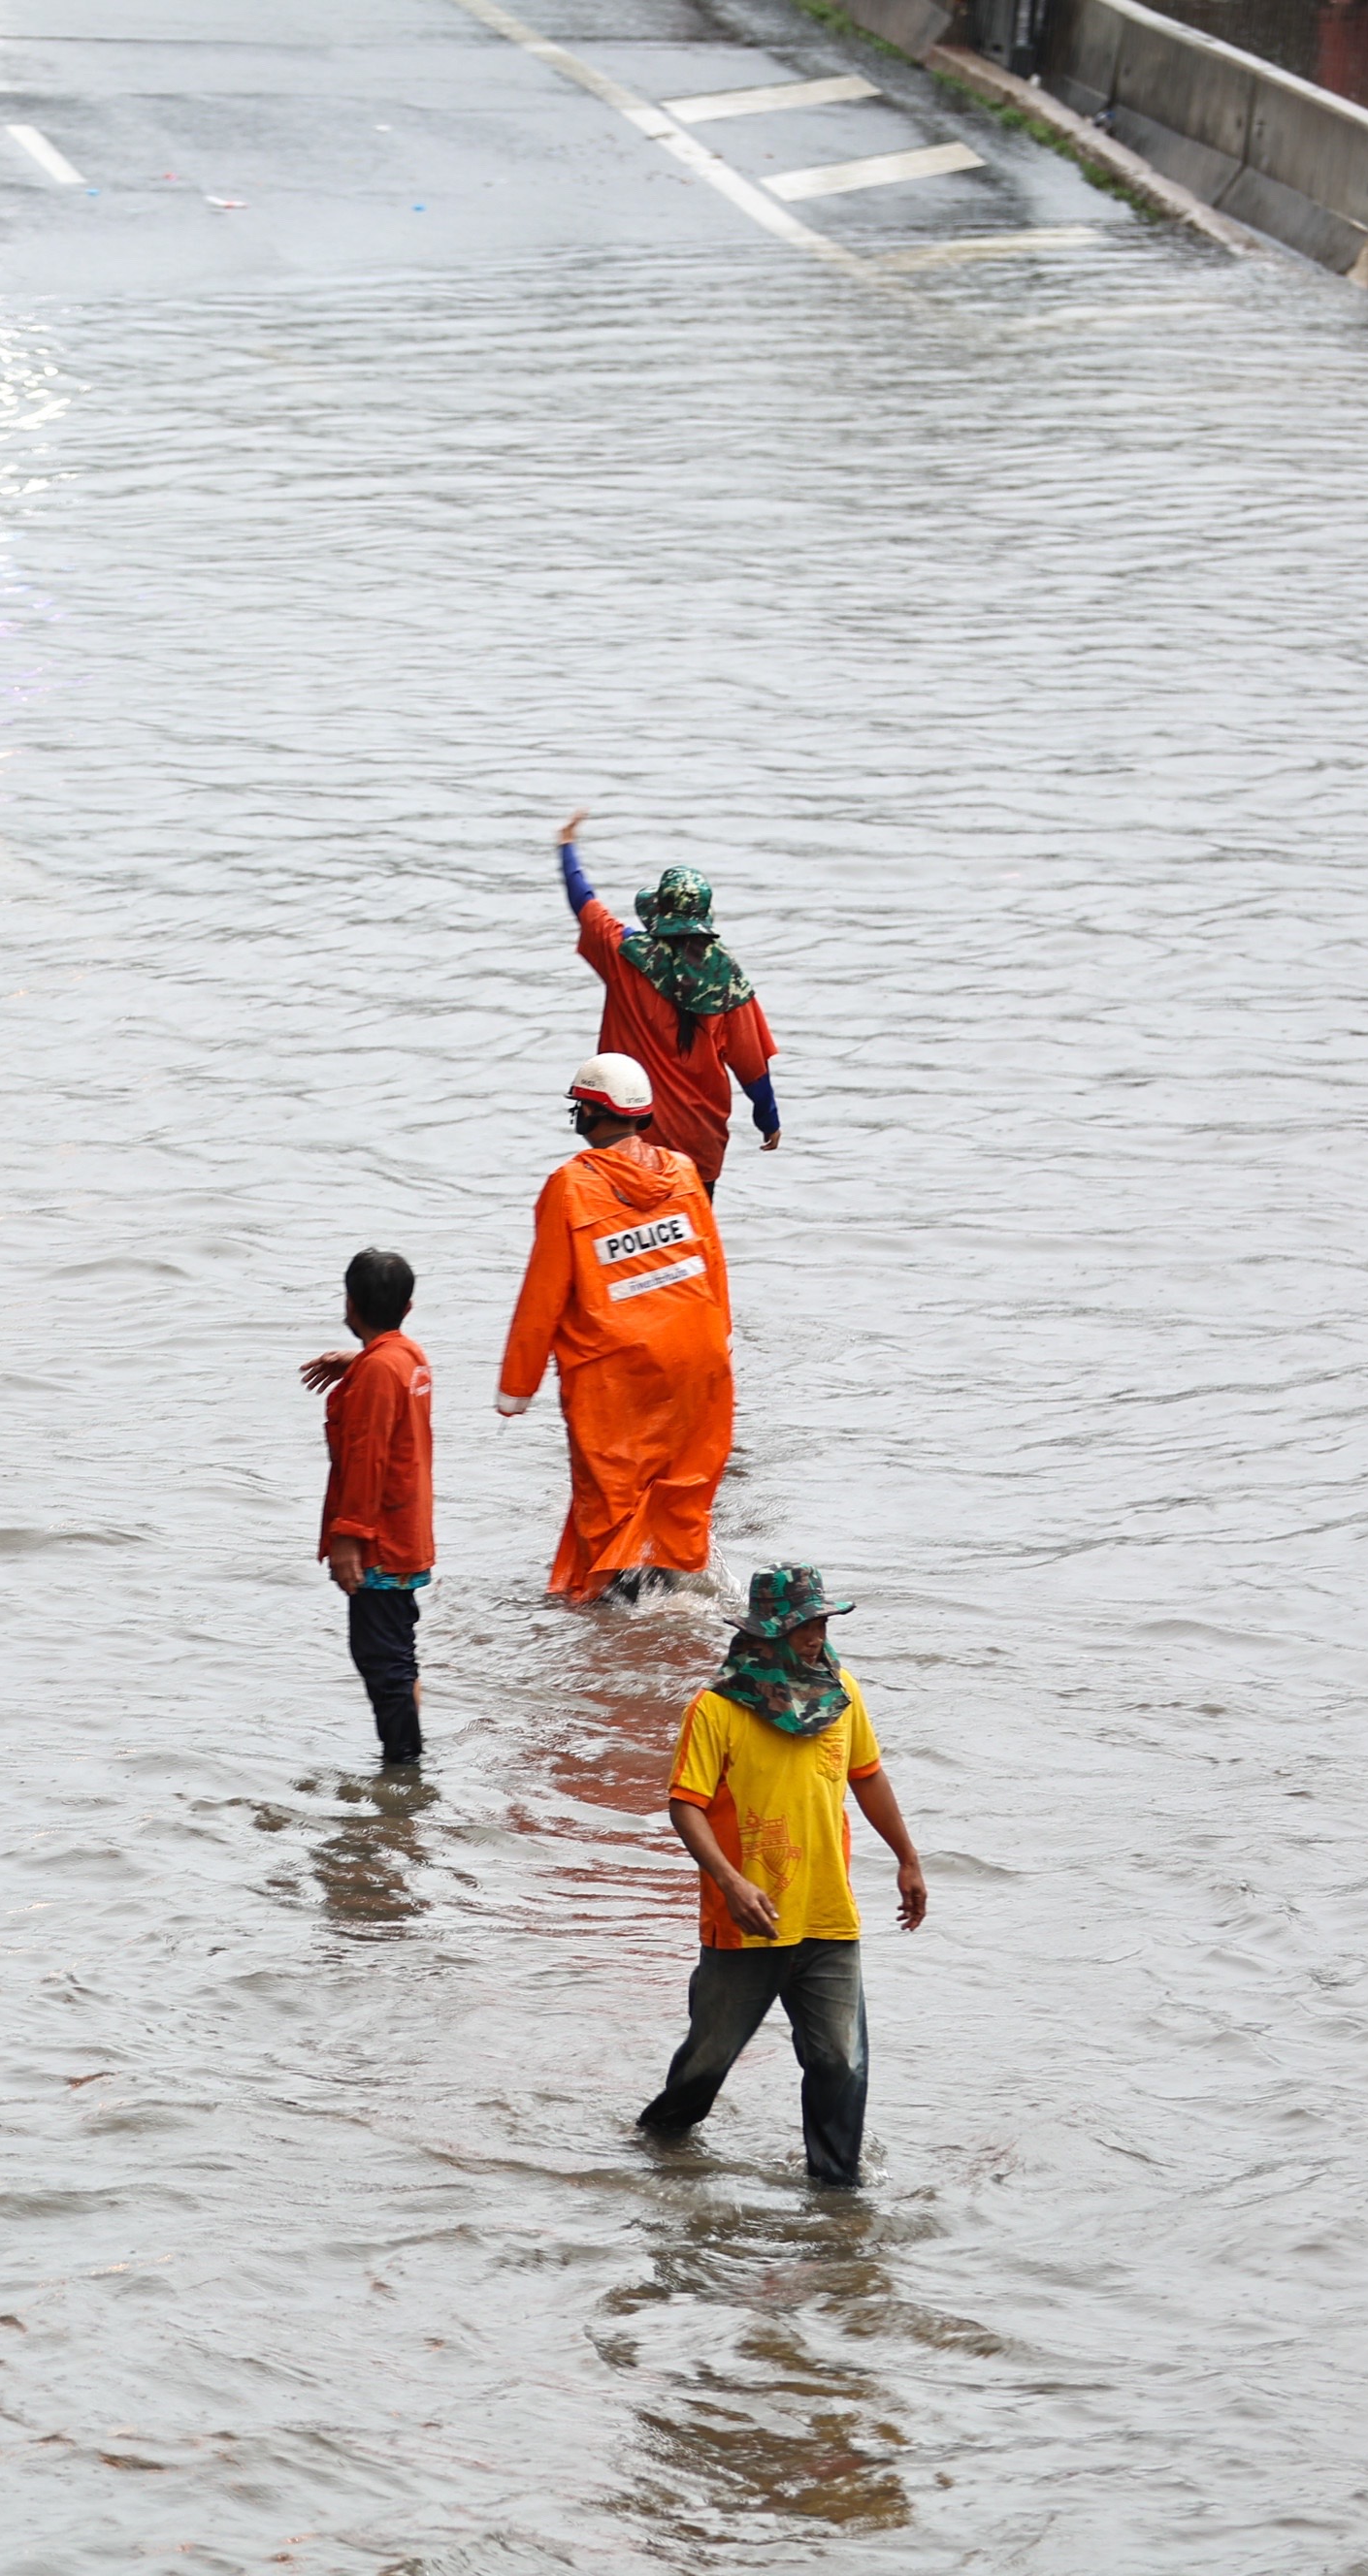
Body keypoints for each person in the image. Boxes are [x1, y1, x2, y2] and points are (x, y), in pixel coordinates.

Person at [637, 1566, 926, 2189]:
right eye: (804, 1625)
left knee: (840, 2062)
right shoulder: (716, 1707)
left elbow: (867, 1776)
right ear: (769, 1632)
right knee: (707, 2060)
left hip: (827, 1912)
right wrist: (731, 1883)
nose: (816, 1636)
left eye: (821, 1623)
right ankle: (659, 2149)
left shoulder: (841, 1694)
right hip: (749, 1919)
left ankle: (837, 2198)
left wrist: (907, 1856)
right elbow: (684, 1803)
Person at [494, 1055, 734, 1598]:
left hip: (617, 1376)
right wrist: (719, 1344)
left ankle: (621, 1622)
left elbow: (543, 1296)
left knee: (614, 1506)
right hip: (699, 1363)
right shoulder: (682, 1173)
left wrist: (516, 1389)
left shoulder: (570, 1186)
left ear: (593, 1113)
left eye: (579, 1106)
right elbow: (713, 1268)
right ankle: (674, 1611)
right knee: (678, 1494)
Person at [556, 811, 780, 1191]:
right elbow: (753, 1071)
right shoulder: (731, 981)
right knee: (688, 1244)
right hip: (698, 1149)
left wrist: (566, 846)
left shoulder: (624, 954)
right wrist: (768, 1120)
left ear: (659, 914)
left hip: (627, 1139)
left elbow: (584, 902)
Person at [300, 1248, 434, 1766]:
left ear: (351, 1304)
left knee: (382, 1659)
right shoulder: (408, 1357)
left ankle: (404, 1770)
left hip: (381, 1542)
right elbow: (390, 1373)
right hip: (407, 1533)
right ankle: (407, 1754)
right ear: (409, 1307)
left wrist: (347, 1538)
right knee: (395, 1652)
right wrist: (358, 1363)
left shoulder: (381, 1370)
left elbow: (367, 1460)